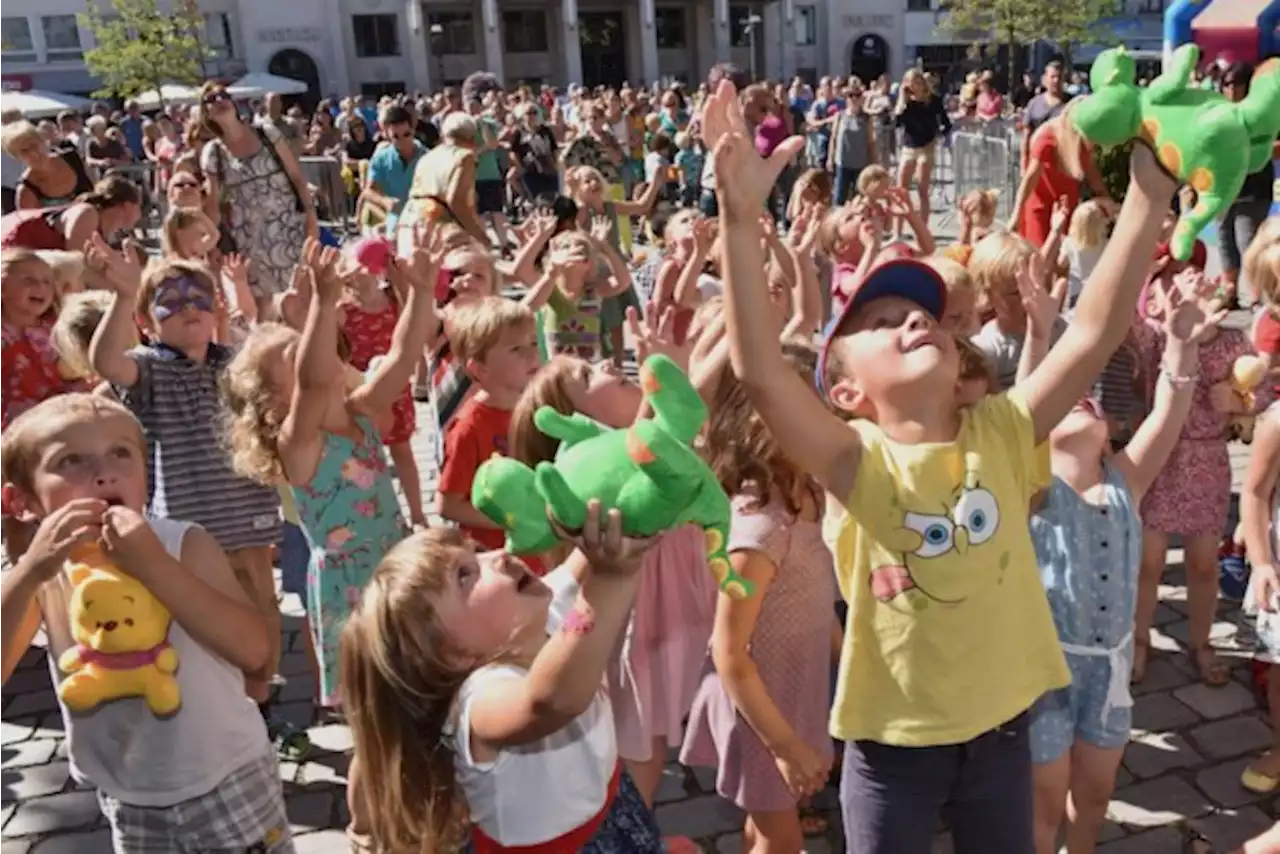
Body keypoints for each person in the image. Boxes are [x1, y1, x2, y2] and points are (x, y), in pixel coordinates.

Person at [702, 73, 1179, 854]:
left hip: (1002, 733)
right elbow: (758, 370)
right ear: (846, 390)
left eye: (923, 312)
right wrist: (739, 217)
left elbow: (1093, 332)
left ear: (960, 351)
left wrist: (1147, 195)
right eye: (884, 320)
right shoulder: (854, 460)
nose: (914, 318)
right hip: (893, 749)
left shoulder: (1002, 427)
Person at [220, 234, 439, 849]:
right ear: (272, 403)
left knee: (413, 705)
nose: (316, 358)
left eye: (312, 348)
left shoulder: (362, 410)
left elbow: (400, 356)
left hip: (396, 574)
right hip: (351, 589)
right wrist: (320, 304)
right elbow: (315, 386)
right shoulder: (300, 445)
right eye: (293, 358)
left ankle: (414, 806)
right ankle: (366, 832)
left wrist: (417, 294)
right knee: (372, 727)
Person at [0, 394, 291, 852]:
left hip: (227, 772)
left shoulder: (182, 543)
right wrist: (28, 570)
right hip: (128, 792)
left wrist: (154, 566)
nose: (104, 472)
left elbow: (257, 654)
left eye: (122, 452)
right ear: (21, 500)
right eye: (71, 460)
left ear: (145, 473)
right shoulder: (45, 574)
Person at [1025, 270, 1211, 854]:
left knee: (1097, 796)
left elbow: (1169, 413)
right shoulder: (1030, 487)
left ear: (1108, 437)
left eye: (1090, 402)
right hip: (1043, 673)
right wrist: (1038, 333)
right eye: (1066, 402)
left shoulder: (1126, 482)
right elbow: (1021, 410)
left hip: (1108, 673)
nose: (1080, 401)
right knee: (1044, 801)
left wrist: (1181, 343)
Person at [681, 343, 840, 853]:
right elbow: (729, 652)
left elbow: (817, 597)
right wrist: (785, 746)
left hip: (797, 690)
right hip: (762, 714)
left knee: (769, 823)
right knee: (782, 840)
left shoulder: (807, 492)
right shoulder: (761, 527)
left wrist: (848, 655)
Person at [199, 82, 315, 315]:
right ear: (206, 114)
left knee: (304, 298)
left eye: (222, 95)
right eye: (210, 100)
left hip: (290, 230)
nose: (218, 101)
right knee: (265, 310)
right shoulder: (213, 153)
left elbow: (296, 178)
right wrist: (210, 243)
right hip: (250, 241)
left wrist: (312, 221)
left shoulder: (267, 133)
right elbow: (213, 205)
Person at [437, 296, 542, 551]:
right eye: (516, 349)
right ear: (480, 369)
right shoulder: (468, 427)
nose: (532, 354)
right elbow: (449, 505)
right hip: (497, 556)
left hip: (542, 548)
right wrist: (512, 521)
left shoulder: (538, 407)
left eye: (533, 343)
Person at [1218, 61, 1275, 309]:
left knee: (1248, 243)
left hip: (1253, 189)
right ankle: (1228, 293)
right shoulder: (1218, 112)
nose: (1231, 90)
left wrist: (1251, 148)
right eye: (1226, 84)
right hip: (1221, 190)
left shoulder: (1264, 112)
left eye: (1237, 84)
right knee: (1225, 243)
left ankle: (1257, 297)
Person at [0, 176, 141, 254]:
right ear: (127, 205)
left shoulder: (105, 233)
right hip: (11, 250)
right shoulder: (87, 214)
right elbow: (76, 264)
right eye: (138, 207)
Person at [0, 120, 93, 210]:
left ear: (43, 140)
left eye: (33, 145)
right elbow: (29, 224)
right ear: (17, 157)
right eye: (24, 151)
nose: (33, 153)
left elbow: (94, 188)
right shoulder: (26, 189)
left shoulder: (72, 158)